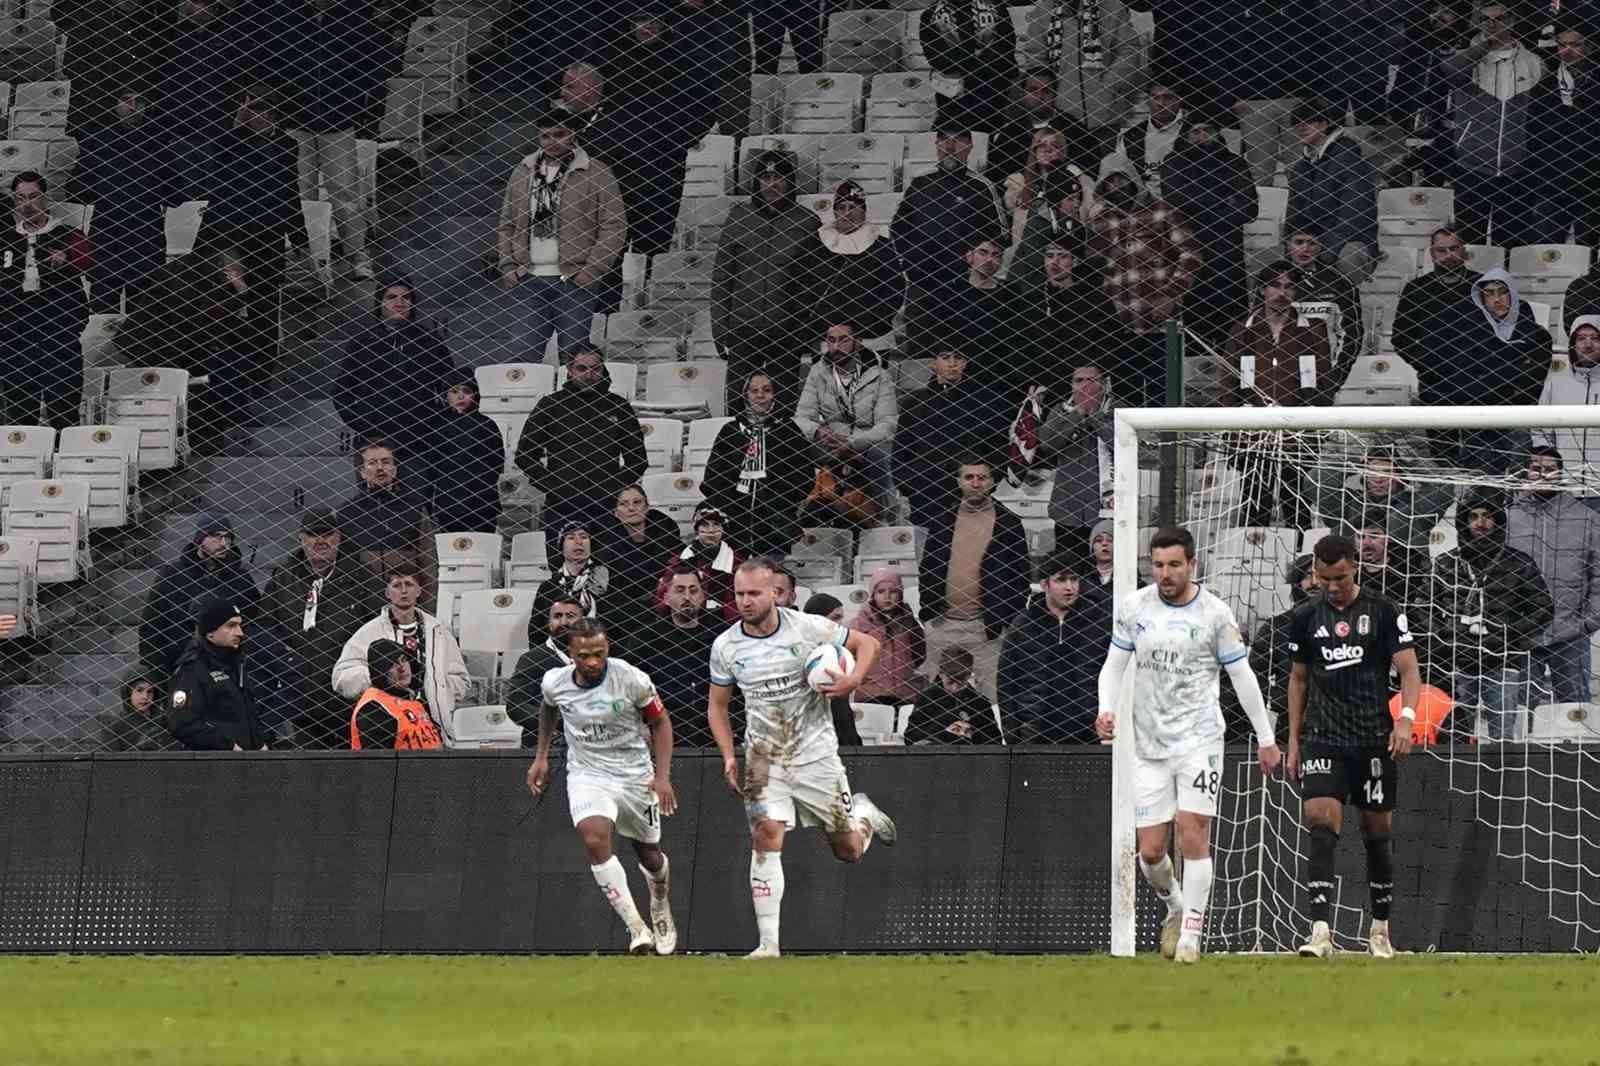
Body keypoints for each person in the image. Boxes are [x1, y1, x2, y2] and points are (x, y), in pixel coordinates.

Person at [1096, 527, 1281, 964]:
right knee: (1151, 852)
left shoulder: (1215, 614)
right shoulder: (1134, 608)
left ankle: (1192, 935)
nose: (1165, 574)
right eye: (1158, 565)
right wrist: (1107, 710)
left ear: (1193, 565)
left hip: (1200, 740)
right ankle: (1176, 908)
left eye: (1174, 565)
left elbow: (1242, 677)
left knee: (1194, 833)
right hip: (1148, 744)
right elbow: (1113, 665)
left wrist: (1266, 738)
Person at [707, 559, 897, 958]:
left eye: (754, 594)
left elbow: (869, 644)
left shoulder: (807, 628)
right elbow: (718, 707)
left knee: (848, 851)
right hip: (763, 756)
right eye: (739, 594)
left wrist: (852, 680)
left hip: (815, 754)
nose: (745, 601)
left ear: (774, 593)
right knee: (766, 835)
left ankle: (862, 815)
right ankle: (768, 946)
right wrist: (728, 756)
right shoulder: (726, 646)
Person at [1286, 535, 1424, 959]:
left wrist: (1405, 720)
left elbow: (1409, 671)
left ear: (1355, 569)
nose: (1331, 585)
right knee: (1321, 823)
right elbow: (1299, 680)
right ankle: (1320, 932)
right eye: (1324, 578)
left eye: (1340, 577)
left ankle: (1380, 930)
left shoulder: (1383, 612)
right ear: (1315, 572)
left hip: (1372, 739)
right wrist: (1293, 739)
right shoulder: (1305, 616)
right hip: (1323, 737)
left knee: (1376, 833)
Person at [527, 619, 679, 955]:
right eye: (584, 656)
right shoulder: (555, 682)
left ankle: (659, 902)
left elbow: (661, 722)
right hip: (587, 773)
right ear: (571, 654)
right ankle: (637, 929)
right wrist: (541, 756)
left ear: (607, 647)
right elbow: (548, 710)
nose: (593, 662)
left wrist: (663, 776)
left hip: (634, 775)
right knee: (593, 836)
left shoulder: (631, 679)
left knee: (650, 856)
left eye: (599, 653)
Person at [196, 87, 305, 426]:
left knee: (265, 303)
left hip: (268, 234)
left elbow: (291, 190)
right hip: (230, 235)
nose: (257, 116)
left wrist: (299, 237)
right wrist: (237, 120)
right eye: (251, 111)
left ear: (273, 113)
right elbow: (218, 153)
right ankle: (229, 375)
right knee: (227, 302)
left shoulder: (288, 145)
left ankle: (261, 373)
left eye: (262, 109)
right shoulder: (234, 142)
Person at [495, 110, 627, 358]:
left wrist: (593, 269)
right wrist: (507, 264)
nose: (551, 141)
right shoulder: (522, 170)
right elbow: (507, 223)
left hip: (574, 279)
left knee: (573, 358)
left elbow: (614, 225)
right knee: (523, 357)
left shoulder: (597, 172)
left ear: (573, 135)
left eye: (559, 134)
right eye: (545, 136)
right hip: (528, 276)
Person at [1223, 263, 1345, 528]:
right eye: (1275, 285)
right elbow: (1229, 385)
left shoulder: (1314, 329)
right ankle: (1254, 559)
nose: (1282, 292)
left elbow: (1324, 382)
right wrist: (1232, 435)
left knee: (1297, 504)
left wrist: (1317, 430)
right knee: (1255, 502)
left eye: (1289, 286)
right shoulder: (1242, 330)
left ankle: (1301, 559)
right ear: (1263, 290)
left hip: (1298, 432)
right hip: (1254, 433)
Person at [272, 0, 385, 280]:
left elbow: (370, 66)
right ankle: (303, 256)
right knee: (298, 195)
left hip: (338, 122)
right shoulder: (288, 17)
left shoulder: (353, 17)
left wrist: (355, 105)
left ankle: (357, 256)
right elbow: (273, 65)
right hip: (294, 122)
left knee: (346, 195)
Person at [1433, 487, 1555, 740]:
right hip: (1457, 664)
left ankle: (1503, 779)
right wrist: (1447, 639)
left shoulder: (1519, 562)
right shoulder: (1446, 562)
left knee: (1502, 738)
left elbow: (1543, 608)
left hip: (1503, 664)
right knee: (1456, 738)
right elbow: (1425, 607)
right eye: (1474, 516)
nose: (1480, 523)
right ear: (1464, 522)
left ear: (1497, 520)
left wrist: (1509, 638)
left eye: (1487, 516)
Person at [259, 507, 381, 749]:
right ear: (301, 538)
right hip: (298, 702)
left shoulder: (363, 578)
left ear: (339, 537)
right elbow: (265, 629)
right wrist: (287, 663)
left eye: (327, 534)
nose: (321, 541)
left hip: (350, 701)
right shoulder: (284, 578)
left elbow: (380, 629)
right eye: (314, 534)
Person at [917, 459, 1032, 700]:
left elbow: (1021, 578)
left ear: (992, 482)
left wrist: (1004, 619)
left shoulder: (1009, 523)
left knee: (991, 698)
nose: (976, 483)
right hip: (942, 624)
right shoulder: (941, 520)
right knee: (935, 701)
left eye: (982, 477)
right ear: (959, 481)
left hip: (986, 627)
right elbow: (927, 568)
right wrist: (928, 613)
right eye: (969, 477)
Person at [1420, 268, 1553, 472]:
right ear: (1481, 299)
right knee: (1477, 468)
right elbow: (1463, 379)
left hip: (1517, 416)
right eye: (1489, 294)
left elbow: (1529, 384)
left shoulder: (1537, 336)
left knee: (1516, 467)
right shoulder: (1470, 335)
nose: (1496, 299)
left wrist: (1490, 380)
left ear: (1512, 294)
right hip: (1477, 414)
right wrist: (1505, 374)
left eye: (1501, 292)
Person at [712, 151, 818, 397]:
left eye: (778, 177)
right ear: (756, 181)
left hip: (787, 332)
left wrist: (807, 332)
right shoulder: (738, 218)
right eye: (765, 177)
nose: (772, 185)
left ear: (790, 181)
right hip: (742, 330)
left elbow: (814, 283)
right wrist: (719, 328)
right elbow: (722, 277)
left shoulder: (808, 222)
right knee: (739, 402)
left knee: (783, 406)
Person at [514, 346, 648, 543]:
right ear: (569, 370)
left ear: (603, 370)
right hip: (560, 507)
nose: (589, 375)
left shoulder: (618, 406)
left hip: (606, 508)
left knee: (610, 567)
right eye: (581, 368)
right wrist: (554, 486)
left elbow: (638, 459)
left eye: (595, 369)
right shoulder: (550, 405)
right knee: (562, 569)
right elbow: (525, 455)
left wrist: (613, 488)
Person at [1438, 3, 1543, 245]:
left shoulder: (1534, 62)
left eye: (1499, 18)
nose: (1492, 24)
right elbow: (1448, 71)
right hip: (1471, 169)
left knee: (1510, 247)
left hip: (1517, 172)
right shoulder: (1468, 59)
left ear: (1512, 20)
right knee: (1469, 245)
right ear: (1477, 22)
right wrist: (1482, 46)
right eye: (1485, 19)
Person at [1505, 447, 1600, 707]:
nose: (1543, 475)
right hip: (1521, 635)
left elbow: (1598, 575)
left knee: (1576, 713)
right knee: (1520, 716)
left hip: (1570, 634)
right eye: (1536, 468)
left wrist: (1586, 623)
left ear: (1561, 474)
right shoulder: (1508, 518)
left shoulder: (1587, 518)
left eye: (1549, 469)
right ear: (1526, 473)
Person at [73, 86, 182, 311]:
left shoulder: (159, 143)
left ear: (147, 106)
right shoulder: (97, 140)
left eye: (139, 101)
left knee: (145, 321)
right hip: (108, 240)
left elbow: (176, 194)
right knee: (102, 317)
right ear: (115, 102)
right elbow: (76, 188)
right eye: (126, 99)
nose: (132, 107)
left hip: (145, 241)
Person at [895, 122, 1008, 335]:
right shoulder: (920, 183)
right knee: (921, 354)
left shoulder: (982, 187)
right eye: (944, 140)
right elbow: (899, 228)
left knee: (962, 353)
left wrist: (976, 266)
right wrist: (910, 261)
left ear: (970, 146)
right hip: (923, 285)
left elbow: (1000, 235)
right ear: (936, 144)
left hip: (967, 290)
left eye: (957, 140)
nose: (950, 146)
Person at [1159, 107, 1258, 347]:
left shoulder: (1234, 163)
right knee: (1194, 334)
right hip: (1189, 256)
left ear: (1217, 134)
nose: (1201, 136)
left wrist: (1199, 206)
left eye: (1207, 131)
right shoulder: (1173, 162)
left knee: (1236, 335)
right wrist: (1224, 200)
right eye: (1195, 131)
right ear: (1186, 135)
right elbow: (1176, 202)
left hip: (1228, 257)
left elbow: (1249, 209)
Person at [332, 563, 468, 736]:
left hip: (432, 727)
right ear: (387, 593)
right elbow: (340, 678)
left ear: (419, 590)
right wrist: (378, 678)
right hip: (387, 727)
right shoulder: (369, 632)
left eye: (409, 584)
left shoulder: (439, 631)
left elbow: (461, 680)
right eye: (397, 585)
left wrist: (439, 689)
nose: (404, 591)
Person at [0, 173, 90, 428]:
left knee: (63, 407)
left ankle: (65, 458)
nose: (27, 204)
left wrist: (68, 258)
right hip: (14, 335)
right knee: (20, 413)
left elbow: (87, 260)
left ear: (45, 198)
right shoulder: (6, 240)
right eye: (20, 198)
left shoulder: (67, 234)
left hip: (57, 331)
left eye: (33, 197)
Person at [333, 280, 456, 464]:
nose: (400, 302)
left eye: (406, 297)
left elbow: (451, 386)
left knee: (417, 492)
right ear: (379, 302)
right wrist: (364, 424)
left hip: (420, 442)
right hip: (373, 444)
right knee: (373, 493)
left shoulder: (430, 341)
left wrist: (431, 421)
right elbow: (341, 392)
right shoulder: (362, 342)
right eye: (391, 297)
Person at [793, 320, 900, 522]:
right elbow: (801, 418)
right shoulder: (817, 373)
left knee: (881, 454)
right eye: (831, 341)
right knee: (792, 444)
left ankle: (885, 517)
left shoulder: (879, 375)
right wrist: (819, 431)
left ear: (857, 343)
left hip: (866, 444)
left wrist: (853, 443)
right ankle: (798, 514)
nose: (836, 347)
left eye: (843, 340)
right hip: (830, 442)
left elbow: (887, 425)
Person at [700, 372, 815, 558]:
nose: (760, 396)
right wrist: (734, 505)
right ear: (745, 395)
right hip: (733, 528)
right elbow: (712, 479)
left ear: (775, 395)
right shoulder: (729, 432)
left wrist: (774, 499)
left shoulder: (789, 431)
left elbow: (805, 478)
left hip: (776, 527)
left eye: (767, 390)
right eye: (754, 391)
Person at [998, 552, 1110, 742]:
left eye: (1074, 579)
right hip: (1035, 731)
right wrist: (1012, 733)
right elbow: (1006, 680)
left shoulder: (1098, 622)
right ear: (1044, 584)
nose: (1069, 587)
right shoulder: (1024, 624)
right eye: (1060, 580)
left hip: (1088, 729)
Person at [786, 181, 907, 355]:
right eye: (841, 207)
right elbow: (798, 286)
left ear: (864, 211)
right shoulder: (813, 245)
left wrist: (866, 325)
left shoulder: (882, 247)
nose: (847, 213)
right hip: (825, 337)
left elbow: (893, 290)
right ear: (834, 211)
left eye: (853, 207)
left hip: (870, 338)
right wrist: (812, 323)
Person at [897, 344, 1005, 529]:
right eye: (946, 357)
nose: (952, 363)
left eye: (958, 358)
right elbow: (901, 453)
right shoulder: (914, 404)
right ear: (933, 363)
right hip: (926, 494)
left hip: (973, 493)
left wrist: (984, 484)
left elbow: (998, 448)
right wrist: (911, 486)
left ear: (966, 363)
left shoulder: (984, 402)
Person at [139, 514, 261, 677]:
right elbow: (151, 629)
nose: (224, 544)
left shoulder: (240, 579)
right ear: (200, 539)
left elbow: (255, 623)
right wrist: (160, 678)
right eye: (216, 537)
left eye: (228, 538)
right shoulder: (171, 576)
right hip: (183, 669)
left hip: (230, 669)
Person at [1284, 98, 1379, 282]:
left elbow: (1354, 217)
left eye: (1308, 122)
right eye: (1297, 124)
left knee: (1348, 257)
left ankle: (1345, 308)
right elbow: (1294, 217)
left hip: (1350, 241)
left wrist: (1324, 254)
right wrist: (1291, 247)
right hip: (1313, 241)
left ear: (1324, 124)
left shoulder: (1348, 158)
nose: (1301, 127)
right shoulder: (1301, 167)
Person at [1523, 22, 1599, 245]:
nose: (1568, 50)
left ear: (1590, 47)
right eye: (1562, 45)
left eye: (1575, 44)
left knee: (1590, 251)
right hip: (1552, 184)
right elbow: (1533, 133)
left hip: (1593, 184)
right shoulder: (1545, 86)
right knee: (1546, 249)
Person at [340, 441, 439, 606]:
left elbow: (428, 565)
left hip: (407, 605)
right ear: (362, 472)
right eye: (372, 463)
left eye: (386, 462)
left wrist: (429, 611)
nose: (380, 468)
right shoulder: (346, 513)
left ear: (395, 469)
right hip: (363, 607)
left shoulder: (414, 509)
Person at [623, 566, 722, 729]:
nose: (687, 597)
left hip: (712, 727)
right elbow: (626, 683)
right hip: (661, 727)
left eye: (693, 590)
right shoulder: (645, 637)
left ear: (703, 596)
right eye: (680, 590)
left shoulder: (718, 636)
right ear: (666, 597)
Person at [1020, 0, 1142, 132]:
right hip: (1060, 115)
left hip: (1106, 115)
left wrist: (1108, 86)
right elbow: (1035, 54)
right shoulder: (1043, 9)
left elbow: (1130, 50)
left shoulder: (1112, 6)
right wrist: (1049, 91)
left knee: (1109, 153)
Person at [169, 597, 270, 751]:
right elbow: (182, 724)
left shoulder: (238, 665)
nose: (240, 632)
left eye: (240, 625)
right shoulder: (192, 669)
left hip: (249, 763)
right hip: (213, 766)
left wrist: (260, 742)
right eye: (231, 626)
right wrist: (227, 746)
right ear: (210, 632)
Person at [1040, 361, 1115, 556]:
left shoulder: (1117, 409)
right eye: (1078, 381)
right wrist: (1078, 414)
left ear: (1104, 384)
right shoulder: (1061, 410)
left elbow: (1120, 444)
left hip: (1106, 506)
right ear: (1071, 385)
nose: (1085, 385)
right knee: (1069, 563)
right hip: (1067, 508)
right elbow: (1047, 445)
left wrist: (1094, 415)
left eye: (1091, 380)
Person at [421, 372, 505, 535]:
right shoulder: (437, 426)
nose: (460, 396)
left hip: (482, 504)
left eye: (466, 391)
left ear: (475, 395)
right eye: (454, 391)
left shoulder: (487, 425)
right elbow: (431, 467)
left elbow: (497, 461)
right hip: (448, 505)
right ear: (446, 396)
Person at [1393, 228, 1480, 382]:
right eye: (1441, 250)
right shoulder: (1416, 288)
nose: (1448, 255)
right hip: (1434, 380)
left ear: (1463, 251)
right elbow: (1401, 338)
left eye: (1454, 249)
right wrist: (1426, 365)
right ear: (1432, 255)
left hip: (1480, 378)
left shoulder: (1483, 284)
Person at [920, 0, 1019, 134]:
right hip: (953, 93)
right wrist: (978, 59)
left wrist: (965, 62)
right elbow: (937, 58)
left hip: (995, 87)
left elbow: (1005, 48)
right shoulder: (930, 14)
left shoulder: (996, 6)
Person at [594, 485, 685, 614]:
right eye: (623, 504)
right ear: (616, 512)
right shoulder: (606, 546)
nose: (631, 508)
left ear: (647, 506)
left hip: (667, 606)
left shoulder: (668, 536)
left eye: (637, 502)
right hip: (623, 611)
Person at [1282, 224, 1364, 366]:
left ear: (1320, 247)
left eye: (1312, 243)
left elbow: (1351, 333)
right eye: (1299, 242)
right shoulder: (1272, 280)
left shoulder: (1339, 282)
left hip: (1325, 370)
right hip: (1282, 371)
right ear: (1288, 246)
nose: (1305, 248)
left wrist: (1338, 372)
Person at [505, 595, 583, 742]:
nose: (564, 622)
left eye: (571, 616)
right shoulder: (532, 659)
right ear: (549, 622)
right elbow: (515, 705)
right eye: (558, 616)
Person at [1002, 126, 1093, 250]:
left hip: (1066, 249)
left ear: (1062, 151)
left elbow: (1090, 212)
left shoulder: (1079, 180)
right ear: (1034, 150)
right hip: (1029, 249)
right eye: (1042, 145)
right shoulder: (1019, 183)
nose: (1047, 150)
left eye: (1054, 146)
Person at [848, 568, 927, 706]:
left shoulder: (910, 624)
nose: (887, 596)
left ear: (901, 594)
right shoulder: (858, 624)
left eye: (893, 592)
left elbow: (919, 654)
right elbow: (849, 658)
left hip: (905, 695)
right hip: (869, 695)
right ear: (873, 595)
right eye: (881, 591)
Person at [349, 639, 445, 750]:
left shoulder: (414, 700)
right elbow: (377, 763)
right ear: (380, 671)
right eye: (393, 664)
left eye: (404, 660)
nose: (402, 668)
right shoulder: (373, 708)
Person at [655, 507, 744, 621]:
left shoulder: (737, 563)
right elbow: (662, 598)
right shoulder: (678, 561)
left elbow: (741, 601)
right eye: (705, 525)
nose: (711, 530)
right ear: (697, 530)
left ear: (723, 529)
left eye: (716, 524)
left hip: (723, 623)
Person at [1539, 316, 1600, 483]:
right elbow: (1540, 430)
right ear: (1573, 345)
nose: (1588, 344)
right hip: (1565, 485)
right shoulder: (1556, 384)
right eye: (1581, 338)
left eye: (1595, 338)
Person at [904, 646, 999, 745]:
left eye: (961, 682)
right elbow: (910, 737)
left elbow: (995, 741)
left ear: (970, 675)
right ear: (940, 674)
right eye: (950, 682)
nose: (955, 688)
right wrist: (945, 726)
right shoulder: (927, 698)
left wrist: (970, 733)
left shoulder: (979, 702)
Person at [532, 521, 610, 627]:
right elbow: (535, 632)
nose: (578, 542)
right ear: (561, 547)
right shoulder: (548, 587)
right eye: (571, 538)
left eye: (584, 537)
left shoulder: (606, 581)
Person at [99, 668, 178, 752]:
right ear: (128, 693)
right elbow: (108, 762)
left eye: (150, 691)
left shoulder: (165, 722)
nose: (145, 697)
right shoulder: (114, 726)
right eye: (139, 690)